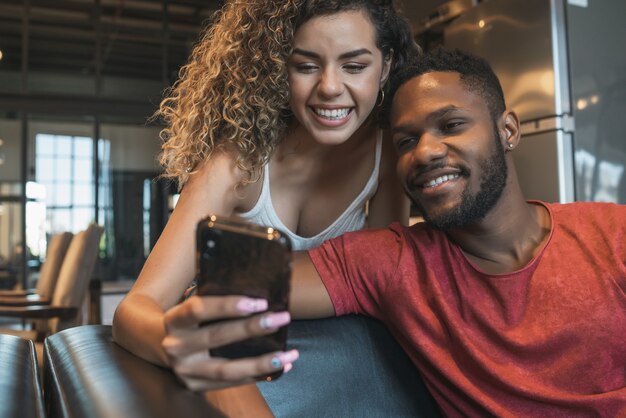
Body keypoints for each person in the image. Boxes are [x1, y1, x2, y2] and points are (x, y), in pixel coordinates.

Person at [161, 48, 626, 416]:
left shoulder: (612, 233)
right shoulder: (391, 262)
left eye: (452, 125)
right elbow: (224, 294)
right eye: (406, 141)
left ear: (507, 130)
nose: (425, 152)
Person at [112, 0, 435, 416]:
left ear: (386, 66)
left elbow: (378, 282)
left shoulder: (386, 152)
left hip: (326, 365)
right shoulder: (235, 163)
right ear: (277, 68)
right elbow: (134, 310)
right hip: (234, 364)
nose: (330, 87)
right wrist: (184, 348)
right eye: (306, 66)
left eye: (354, 66)